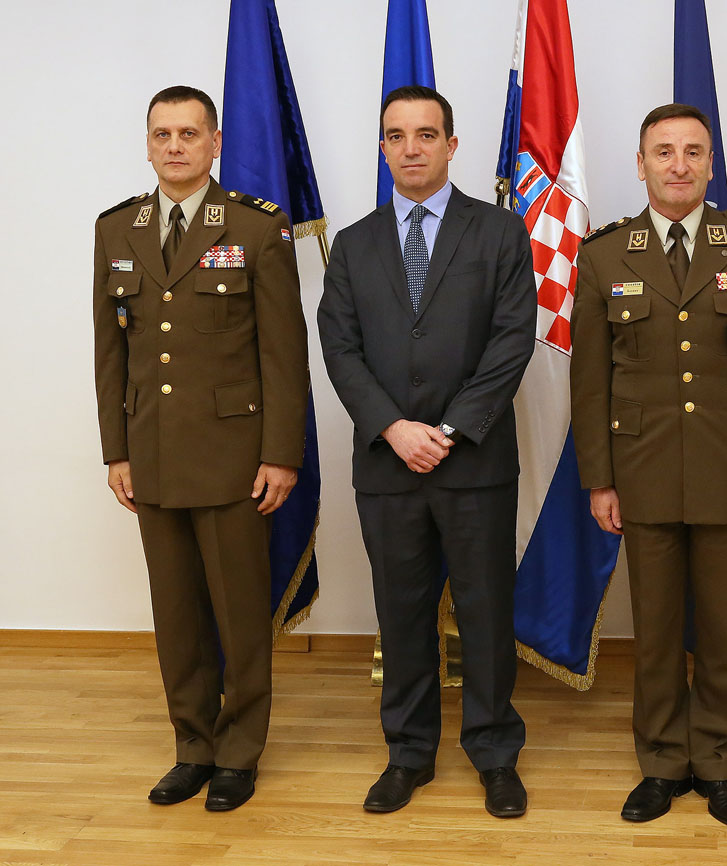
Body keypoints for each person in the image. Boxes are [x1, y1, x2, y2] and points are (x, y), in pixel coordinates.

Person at [570, 103, 727, 828]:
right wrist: (599, 479)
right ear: (640, 165)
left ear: (710, 163)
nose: (679, 165)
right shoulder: (605, 254)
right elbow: (590, 381)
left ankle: (720, 764)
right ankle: (663, 763)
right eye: (663, 152)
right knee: (658, 630)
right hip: (641, 469)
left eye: (693, 152)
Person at [318, 85, 536, 818]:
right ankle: (408, 753)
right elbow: (340, 348)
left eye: (426, 134)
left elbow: (512, 340)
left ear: (451, 144)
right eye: (397, 135)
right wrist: (393, 427)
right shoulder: (354, 245)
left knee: (485, 612)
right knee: (401, 614)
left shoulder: (499, 232)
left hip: (473, 462)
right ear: (383, 148)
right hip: (388, 465)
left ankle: (495, 753)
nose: (411, 147)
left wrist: (450, 429)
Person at [92, 86, 309, 811]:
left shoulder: (255, 227)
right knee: (177, 616)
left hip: (234, 458)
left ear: (215, 144)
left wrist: (281, 454)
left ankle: (239, 752)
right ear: (148, 144)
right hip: (152, 452)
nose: (175, 146)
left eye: (190, 133)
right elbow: (110, 352)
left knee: (240, 616)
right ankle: (193, 747)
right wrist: (116, 451)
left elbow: (284, 353)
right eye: (163, 134)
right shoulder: (116, 229)